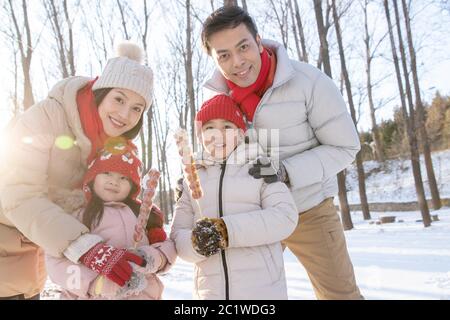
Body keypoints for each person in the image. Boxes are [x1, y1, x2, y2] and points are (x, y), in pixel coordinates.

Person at [201, 6, 363, 299]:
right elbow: (219, 155)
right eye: (224, 55)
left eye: (243, 47)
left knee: (340, 295)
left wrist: (287, 172)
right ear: (214, 59)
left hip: (309, 209)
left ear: (259, 41)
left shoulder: (309, 82)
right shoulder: (217, 99)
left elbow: (345, 146)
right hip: (252, 216)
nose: (237, 62)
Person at [0, 41, 155, 300]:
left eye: (137, 109)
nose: (125, 114)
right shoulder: (46, 117)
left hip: (37, 255)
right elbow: (17, 194)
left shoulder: (114, 149)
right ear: (100, 92)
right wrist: (85, 248)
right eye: (119, 99)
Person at [170, 94, 298, 300]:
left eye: (227, 127)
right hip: (209, 293)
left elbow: (285, 217)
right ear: (200, 135)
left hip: (261, 292)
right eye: (209, 127)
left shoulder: (261, 166)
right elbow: (177, 236)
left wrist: (226, 231)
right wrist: (196, 243)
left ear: (240, 134)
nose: (218, 134)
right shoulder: (190, 179)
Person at [45, 141, 176, 300]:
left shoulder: (144, 215)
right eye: (107, 173)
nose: (114, 181)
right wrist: (97, 284)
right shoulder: (78, 215)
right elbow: (56, 263)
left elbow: (166, 247)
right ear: (93, 177)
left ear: (132, 186)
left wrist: (153, 259)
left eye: (123, 177)